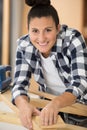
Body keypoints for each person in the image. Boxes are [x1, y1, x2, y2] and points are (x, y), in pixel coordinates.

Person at [12, 0, 87, 129]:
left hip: (79, 110)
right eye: (35, 31)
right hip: (47, 106)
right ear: (27, 29)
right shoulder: (24, 45)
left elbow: (80, 83)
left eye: (48, 30)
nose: (41, 38)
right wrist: (23, 105)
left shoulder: (73, 39)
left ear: (58, 28)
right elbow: (19, 85)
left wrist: (56, 103)